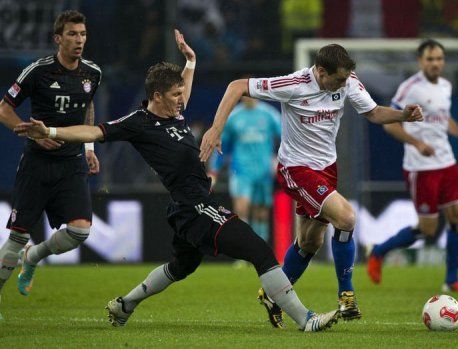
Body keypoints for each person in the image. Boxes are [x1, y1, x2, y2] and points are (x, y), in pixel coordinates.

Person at [15, 30, 340, 332]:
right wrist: (53, 131)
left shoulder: (175, 111)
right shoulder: (139, 123)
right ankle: (306, 319)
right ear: (157, 96)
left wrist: (191, 61)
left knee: (180, 267)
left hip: (190, 204)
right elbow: (93, 131)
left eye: (182, 93)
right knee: (260, 250)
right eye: (175, 94)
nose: (182, 99)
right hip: (194, 206)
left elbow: (182, 85)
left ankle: (124, 304)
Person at [199, 44, 423, 328]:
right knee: (346, 216)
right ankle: (347, 295)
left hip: (326, 169)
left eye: (345, 79)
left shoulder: (348, 81)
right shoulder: (294, 84)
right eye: (338, 80)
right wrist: (216, 129)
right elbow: (236, 86)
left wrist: (404, 115)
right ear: (320, 71)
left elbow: (373, 112)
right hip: (296, 169)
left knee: (310, 242)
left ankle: (272, 295)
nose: (343, 85)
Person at [0, 10, 101, 320]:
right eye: (72, 34)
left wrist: (88, 146)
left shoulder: (92, 73)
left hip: (71, 163)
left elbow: (88, 107)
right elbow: (4, 109)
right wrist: (30, 131)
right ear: (58, 38)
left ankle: (34, 256)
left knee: (80, 232)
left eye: (82, 34)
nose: (79, 40)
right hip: (38, 163)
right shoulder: (37, 71)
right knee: (17, 236)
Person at [367, 39, 458, 293]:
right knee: (427, 228)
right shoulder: (409, 88)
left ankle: (452, 279)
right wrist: (416, 142)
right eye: (430, 59)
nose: (435, 63)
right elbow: (389, 124)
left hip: (447, 162)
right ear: (421, 61)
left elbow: (445, 119)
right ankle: (379, 251)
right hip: (421, 167)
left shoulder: (445, 86)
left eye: (439, 58)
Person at [209, 96, 281, 243]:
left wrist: (279, 160)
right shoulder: (233, 117)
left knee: (261, 213)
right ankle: (244, 252)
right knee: (241, 211)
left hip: (264, 172)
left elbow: (285, 138)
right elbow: (222, 144)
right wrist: (213, 170)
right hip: (240, 171)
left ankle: (261, 251)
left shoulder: (269, 114)